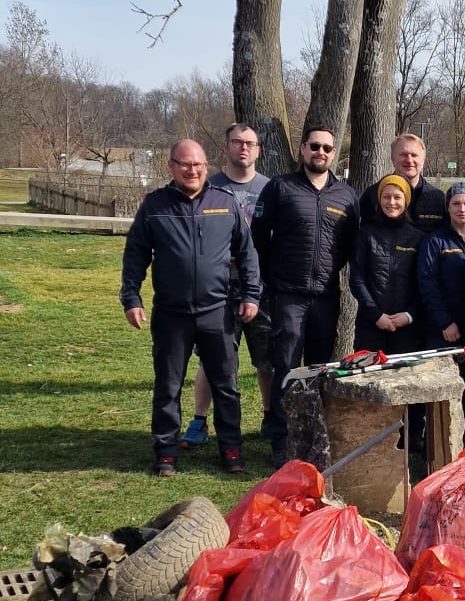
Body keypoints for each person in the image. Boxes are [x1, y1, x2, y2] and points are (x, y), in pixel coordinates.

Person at [120, 138, 260, 477]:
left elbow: (248, 253)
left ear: (206, 166)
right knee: (168, 385)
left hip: (217, 311)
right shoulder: (155, 205)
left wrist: (251, 295)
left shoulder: (224, 203)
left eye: (198, 164)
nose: (192, 169)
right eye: (184, 164)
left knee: (226, 385)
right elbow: (136, 253)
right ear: (172, 166)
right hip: (171, 314)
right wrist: (131, 298)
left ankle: (230, 450)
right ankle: (166, 452)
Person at [251, 126, 360, 468]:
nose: (321, 152)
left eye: (328, 147)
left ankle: (313, 438)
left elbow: (349, 245)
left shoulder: (346, 196)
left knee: (318, 369)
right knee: (285, 365)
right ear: (302, 149)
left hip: (326, 296)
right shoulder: (280, 188)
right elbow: (257, 237)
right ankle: (282, 440)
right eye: (315, 146)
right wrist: (271, 280)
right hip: (288, 295)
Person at [181, 123, 272, 448]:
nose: (243, 148)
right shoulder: (207, 187)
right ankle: (199, 420)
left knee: (267, 360)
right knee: (211, 358)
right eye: (237, 142)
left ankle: (269, 416)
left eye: (249, 143)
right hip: (216, 290)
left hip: (259, 287)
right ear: (227, 147)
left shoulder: (270, 189)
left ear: (258, 149)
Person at [417, 182, 465, 445]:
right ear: (448, 207)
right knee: (443, 385)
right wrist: (445, 322)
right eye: (456, 204)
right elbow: (427, 284)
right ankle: (439, 439)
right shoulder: (435, 241)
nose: (462, 209)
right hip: (444, 330)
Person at [350, 174, 425, 352]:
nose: (391, 202)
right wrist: (376, 315)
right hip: (371, 325)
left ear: (406, 201)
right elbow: (357, 279)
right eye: (386, 197)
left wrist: (409, 315)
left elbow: (423, 284)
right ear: (379, 200)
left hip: (406, 329)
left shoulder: (418, 238)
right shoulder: (366, 234)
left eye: (397, 197)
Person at [358, 133, 446, 234]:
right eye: (403, 155)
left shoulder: (437, 199)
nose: (409, 160)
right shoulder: (373, 195)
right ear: (393, 159)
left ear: (423, 161)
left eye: (414, 155)